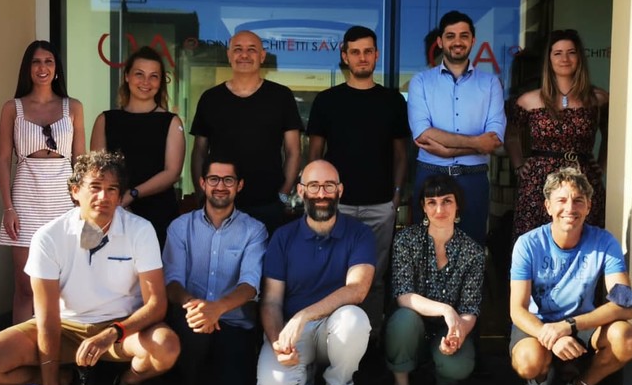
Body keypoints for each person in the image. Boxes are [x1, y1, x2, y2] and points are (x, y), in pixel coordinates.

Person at [0, 151, 180, 385]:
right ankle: (67, 380)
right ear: (75, 191)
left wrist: (111, 334)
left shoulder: (140, 230)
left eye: (112, 189)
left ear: (120, 196)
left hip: (121, 330)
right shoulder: (49, 236)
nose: (103, 196)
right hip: (63, 327)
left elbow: (156, 304)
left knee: (166, 347)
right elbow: (47, 319)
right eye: (95, 187)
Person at [509, 167, 632, 385]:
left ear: (589, 206)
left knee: (625, 338)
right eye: (561, 200)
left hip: (582, 325)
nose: (570, 208)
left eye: (578, 200)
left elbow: (625, 306)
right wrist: (551, 335)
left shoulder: (605, 242)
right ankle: (540, 379)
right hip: (539, 325)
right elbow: (517, 309)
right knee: (527, 362)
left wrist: (569, 326)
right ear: (548, 206)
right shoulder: (528, 244)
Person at [0, 41, 85, 385]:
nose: (43, 67)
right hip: (26, 193)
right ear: (28, 68)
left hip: (63, 195)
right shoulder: (12, 108)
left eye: (49, 61)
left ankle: (63, 371)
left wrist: (83, 207)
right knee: (24, 288)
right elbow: (4, 160)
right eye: (36, 62)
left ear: (57, 67)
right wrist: (8, 207)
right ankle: (26, 373)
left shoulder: (72, 107)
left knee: (64, 286)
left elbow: (81, 161)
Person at [307, 25, 409, 338]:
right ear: (345, 57)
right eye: (355, 52)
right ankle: (330, 339)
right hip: (336, 207)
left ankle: (370, 339)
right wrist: (317, 199)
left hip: (380, 205)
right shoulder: (327, 101)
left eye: (367, 51)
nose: (362, 57)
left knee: (373, 278)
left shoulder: (392, 101)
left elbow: (401, 154)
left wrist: (395, 198)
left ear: (376, 55)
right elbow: (314, 156)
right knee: (331, 276)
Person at [256, 160, 375, 385]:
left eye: (329, 186)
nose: (321, 194)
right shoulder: (283, 237)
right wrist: (278, 343)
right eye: (314, 186)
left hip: (334, 328)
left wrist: (304, 316)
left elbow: (357, 289)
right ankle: (306, 375)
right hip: (294, 332)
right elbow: (271, 301)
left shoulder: (359, 233)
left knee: (354, 319)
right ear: (301, 191)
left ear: (340, 190)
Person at [162, 157, 268, 385]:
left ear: (239, 185)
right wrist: (198, 307)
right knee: (196, 328)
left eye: (228, 180)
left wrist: (217, 309)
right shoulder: (180, 227)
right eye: (214, 179)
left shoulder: (254, 230)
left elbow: (250, 285)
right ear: (202, 183)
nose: (221, 186)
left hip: (233, 323)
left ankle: (210, 384)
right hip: (190, 320)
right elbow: (172, 283)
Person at [385, 175, 484, 385]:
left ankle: (443, 375)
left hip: (447, 329)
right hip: (413, 326)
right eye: (432, 202)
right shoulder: (406, 240)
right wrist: (445, 309)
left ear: (458, 205)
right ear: (423, 207)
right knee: (403, 320)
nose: (439, 209)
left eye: (447, 201)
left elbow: (470, 309)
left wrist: (458, 334)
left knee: (458, 366)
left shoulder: (472, 251)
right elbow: (404, 295)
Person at [407, 10, 506, 246]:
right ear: (440, 41)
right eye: (450, 36)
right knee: (426, 251)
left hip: (473, 180)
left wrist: (447, 149)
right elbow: (423, 133)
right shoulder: (420, 82)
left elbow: (493, 140)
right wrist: (476, 143)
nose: (457, 41)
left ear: (473, 40)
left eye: (464, 35)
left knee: (472, 250)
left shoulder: (491, 83)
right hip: (430, 176)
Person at [188, 30, 302, 234]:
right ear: (229, 55)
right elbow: (199, 152)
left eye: (252, 50)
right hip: (220, 203)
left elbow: (293, 151)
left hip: (268, 205)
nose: (244, 55)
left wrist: (282, 196)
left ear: (262, 56)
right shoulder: (211, 99)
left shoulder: (281, 96)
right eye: (238, 49)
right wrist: (202, 194)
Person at [506, 29, 608, 237]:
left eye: (571, 52)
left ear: (579, 57)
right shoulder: (528, 100)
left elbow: (612, 136)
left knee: (585, 241)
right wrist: (519, 165)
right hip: (538, 183)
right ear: (549, 59)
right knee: (534, 242)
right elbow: (511, 135)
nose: (565, 59)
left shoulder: (597, 99)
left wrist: (602, 166)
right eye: (558, 53)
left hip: (583, 180)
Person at [91, 46, 185, 248]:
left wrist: (132, 194)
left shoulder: (171, 122)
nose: (146, 82)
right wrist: (118, 199)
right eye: (139, 74)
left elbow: (172, 172)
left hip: (158, 214)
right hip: (113, 210)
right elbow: (97, 171)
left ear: (161, 82)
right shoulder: (105, 120)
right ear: (127, 76)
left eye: (153, 76)